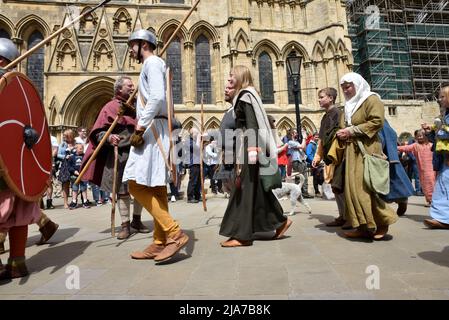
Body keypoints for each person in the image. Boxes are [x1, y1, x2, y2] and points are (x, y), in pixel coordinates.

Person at [122, 29, 189, 262]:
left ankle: (173, 232)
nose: (131, 49)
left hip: (152, 131)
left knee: (134, 185)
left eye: (133, 45)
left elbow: (158, 98)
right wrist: (132, 111)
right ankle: (160, 241)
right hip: (155, 127)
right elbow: (152, 99)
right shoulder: (153, 65)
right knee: (156, 187)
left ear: (144, 45)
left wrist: (139, 125)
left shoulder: (151, 63)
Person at [219, 65, 292, 247]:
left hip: (249, 148)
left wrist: (251, 151)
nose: (228, 79)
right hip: (249, 147)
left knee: (244, 188)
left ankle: (243, 235)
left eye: (231, 76)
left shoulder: (245, 97)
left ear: (240, 77)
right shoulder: (245, 96)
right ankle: (280, 222)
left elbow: (252, 124)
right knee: (256, 189)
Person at [0, 38, 54, 280]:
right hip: (15, 162)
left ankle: (17, 262)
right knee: (18, 211)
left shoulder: (11, 86)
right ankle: (17, 263)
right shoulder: (11, 85)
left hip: (8, 163)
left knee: (12, 210)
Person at [82, 76, 149, 239]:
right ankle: (125, 225)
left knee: (140, 187)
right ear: (119, 89)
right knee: (123, 190)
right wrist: (109, 136)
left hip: (138, 151)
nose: (132, 88)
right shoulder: (110, 106)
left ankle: (137, 221)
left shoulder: (138, 106)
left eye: (133, 85)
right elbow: (98, 132)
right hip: (121, 154)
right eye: (129, 85)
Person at [336, 72, 397, 240]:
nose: (346, 91)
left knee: (367, 188)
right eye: (343, 88)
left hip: (368, 149)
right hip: (351, 150)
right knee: (353, 190)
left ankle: (383, 221)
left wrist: (351, 130)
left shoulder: (371, 99)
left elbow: (377, 121)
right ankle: (362, 226)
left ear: (357, 84)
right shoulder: (348, 105)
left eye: (348, 86)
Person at [312, 87, 347, 227]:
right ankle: (342, 216)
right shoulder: (325, 116)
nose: (319, 99)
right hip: (329, 157)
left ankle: (348, 217)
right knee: (335, 186)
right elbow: (321, 138)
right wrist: (317, 155)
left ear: (331, 98)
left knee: (340, 186)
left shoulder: (338, 113)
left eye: (322, 97)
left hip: (338, 155)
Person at [421, 84, 449, 229]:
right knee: (442, 188)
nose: (439, 99)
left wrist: (442, 129)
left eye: (443, 96)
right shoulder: (443, 117)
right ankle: (442, 218)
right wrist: (429, 132)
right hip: (443, 160)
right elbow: (437, 139)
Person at [379, 120, 415, 216]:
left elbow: (386, 137)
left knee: (394, 180)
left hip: (385, 157)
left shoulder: (381, 123)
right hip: (380, 157)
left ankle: (402, 200)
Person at [397, 129, 435, 207]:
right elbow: (405, 148)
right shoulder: (415, 145)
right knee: (424, 185)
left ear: (425, 136)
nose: (420, 137)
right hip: (422, 170)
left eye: (421, 136)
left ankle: (432, 201)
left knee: (431, 184)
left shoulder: (431, 145)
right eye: (418, 136)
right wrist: (394, 147)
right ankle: (430, 201)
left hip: (432, 169)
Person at [57, 129, 76, 209]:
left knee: (76, 183)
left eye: (66, 136)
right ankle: (65, 203)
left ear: (70, 136)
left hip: (75, 165)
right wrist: (65, 157)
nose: (64, 138)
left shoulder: (77, 142)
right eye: (64, 136)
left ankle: (74, 201)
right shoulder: (63, 144)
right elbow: (58, 154)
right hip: (65, 166)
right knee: (65, 184)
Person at [68, 143, 91, 209]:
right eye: (80, 148)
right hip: (74, 176)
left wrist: (85, 171)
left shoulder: (84, 156)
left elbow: (88, 165)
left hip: (83, 175)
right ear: (76, 149)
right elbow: (69, 166)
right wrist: (74, 171)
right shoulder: (72, 157)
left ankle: (85, 201)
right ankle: (74, 201)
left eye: (82, 148)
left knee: (83, 188)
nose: (81, 150)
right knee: (75, 189)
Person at [186, 127, 202, 203]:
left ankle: (197, 196)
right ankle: (190, 197)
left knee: (198, 181)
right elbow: (197, 148)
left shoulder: (195, 141)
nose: (197, 134)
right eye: (196, 133)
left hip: (198, 162)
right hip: (193, 163)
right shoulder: (188, 141)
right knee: (193, 181)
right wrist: (199, 139)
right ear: (192, 133)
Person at [306, 132, 323, 197]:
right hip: (313, 163)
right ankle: (316, 191)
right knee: (315, 178)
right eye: (316, 136)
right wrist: (313, 161)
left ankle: (319, 191)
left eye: (318, 136)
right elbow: (308, 154)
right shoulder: (311, 145)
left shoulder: (316, 144)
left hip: (318, 162)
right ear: (313, 137)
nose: (317, 138)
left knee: (319, 177)